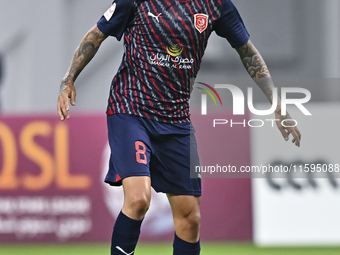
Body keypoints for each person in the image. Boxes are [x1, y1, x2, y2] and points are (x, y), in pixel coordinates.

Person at [57, 0, 301, 254]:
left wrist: (276, 102)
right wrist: (68, 80)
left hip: (176, 120)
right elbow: (97, 34)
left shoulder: (216, 5)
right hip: (131, 110)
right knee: (139, 199)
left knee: (190, 218)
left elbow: (246, 50)